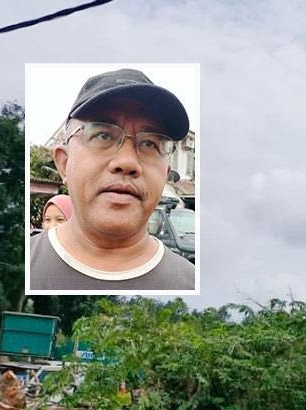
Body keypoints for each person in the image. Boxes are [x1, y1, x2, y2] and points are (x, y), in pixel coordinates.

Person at [29, 68, 195, 291]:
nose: (127, 162)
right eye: (103, 135)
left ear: (165, 175)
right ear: (64, 163)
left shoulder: (188, 282)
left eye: (149, 144)